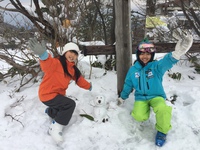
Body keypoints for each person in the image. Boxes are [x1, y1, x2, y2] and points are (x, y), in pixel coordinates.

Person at [117, 33, 193, 147]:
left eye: (148, 54)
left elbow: (166, 62)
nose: (145, 56)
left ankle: (162, 131)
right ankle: (146, 111)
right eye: (142, 53)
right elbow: (128, 84)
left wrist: (176, 54)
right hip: (141, 98)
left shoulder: (156, 67)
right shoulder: (133, 70)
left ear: (152, 55)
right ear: (138, 55)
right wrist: (122, 97)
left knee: (162, 109)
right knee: (138, 116)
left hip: (156, 96)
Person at [29, 39, 92, 144]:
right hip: (47, 94)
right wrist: (43, 55)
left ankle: (51, 111)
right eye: (70, 52)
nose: (72, 55)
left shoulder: (72, 70)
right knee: (70, 104)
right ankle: (55, 128)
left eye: (75, 53)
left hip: (57, 95)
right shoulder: (56, 63)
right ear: (65, 52)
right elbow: (47, 63)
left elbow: (80, 80)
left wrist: (89, 86)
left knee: (62, 107)